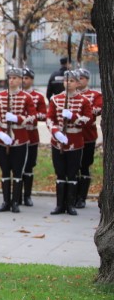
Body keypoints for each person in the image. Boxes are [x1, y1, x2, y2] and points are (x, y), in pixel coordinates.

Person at [46, 71, 92, 215]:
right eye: (66, 81)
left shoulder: (84, 100)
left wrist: (73, 116)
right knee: (60, 172)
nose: (68, 83)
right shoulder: (55, 99)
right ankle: (60, 205)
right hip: (58, 141)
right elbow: (49, 118)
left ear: (78, 83)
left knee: (72, 173)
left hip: (75, 140)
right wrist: (55, 132)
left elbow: (89, 120)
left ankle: (70, 205)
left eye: (71, 81)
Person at [0, 68, 35, 213]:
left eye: (15, 78)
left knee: (17, 171)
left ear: (21, 80)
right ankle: (5, 201)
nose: (12, 80)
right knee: (5, 170)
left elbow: (33, 117)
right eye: (10, 77)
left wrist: (18, 118)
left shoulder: (26, 97)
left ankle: (15, 202)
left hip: (20, 138)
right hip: (2, 138)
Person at [74, 69, 101, 208]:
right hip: (73, 136)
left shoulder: (95, 95)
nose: (79, 81)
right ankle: (72, 195)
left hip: (87, 136)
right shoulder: (69, 96)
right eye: (77, 78)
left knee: (84, 165)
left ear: (87, 80)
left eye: (82, 78)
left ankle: (82, 197)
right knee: (73, 166)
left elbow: (96, 109)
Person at [20, 67, 47, 206]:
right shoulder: (13, 95)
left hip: (31, 134)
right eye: (22, 78)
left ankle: (27, 196)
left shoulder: (38, 96)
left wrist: (32, 116)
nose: (24, 81)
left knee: (29, 165)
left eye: (27, 78)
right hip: (17, 135)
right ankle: (16, 197)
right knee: (17, 166)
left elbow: (43, 114)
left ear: (32, 79)